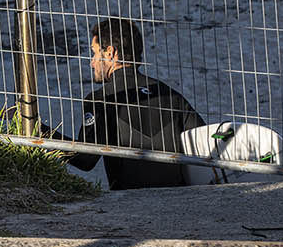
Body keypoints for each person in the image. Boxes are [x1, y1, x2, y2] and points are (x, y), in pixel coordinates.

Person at [64, 17, 204, 189]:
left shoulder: (102, 98)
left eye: (94, 53)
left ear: (110, 52)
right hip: (177, 200)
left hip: (129, 203)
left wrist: (38, 132)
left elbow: (85, 159)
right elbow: (202, 143)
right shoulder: (169, 94)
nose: (92, 62)